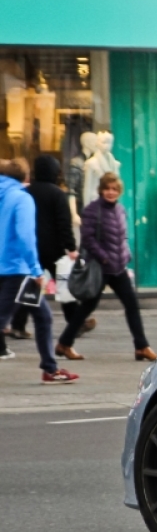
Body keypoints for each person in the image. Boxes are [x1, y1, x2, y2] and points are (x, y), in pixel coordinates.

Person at [56, 173, 157, 362]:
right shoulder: (93, 210)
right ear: (101, 190)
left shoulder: (120, 209)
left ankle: (141, 346)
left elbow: (123, 235)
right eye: (107, 188)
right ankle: (64, 343)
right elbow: (88, 239)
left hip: (118, 267)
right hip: (101, 267)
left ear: (119, 191)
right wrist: (103, 257)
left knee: (132, 305)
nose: (111, 192)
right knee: (87, 307)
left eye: (114, 189)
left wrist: (126, 253)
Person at [0, 160, 78, 384]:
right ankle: (50, 369)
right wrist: (36, 270)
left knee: (43, 316)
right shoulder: (22, 198)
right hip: (19, 270)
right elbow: (25, 236)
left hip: (6, 267)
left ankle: (50, 368)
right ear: (25, 177)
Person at [8, 155, 84, 340]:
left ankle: (18, 325)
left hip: (33, 248)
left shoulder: (27, 192)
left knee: (30, 285)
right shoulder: (57, 193)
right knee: (64, 285)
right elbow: (63, 223)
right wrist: (71, 247)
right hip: (54, 248)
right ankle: (75, 322)